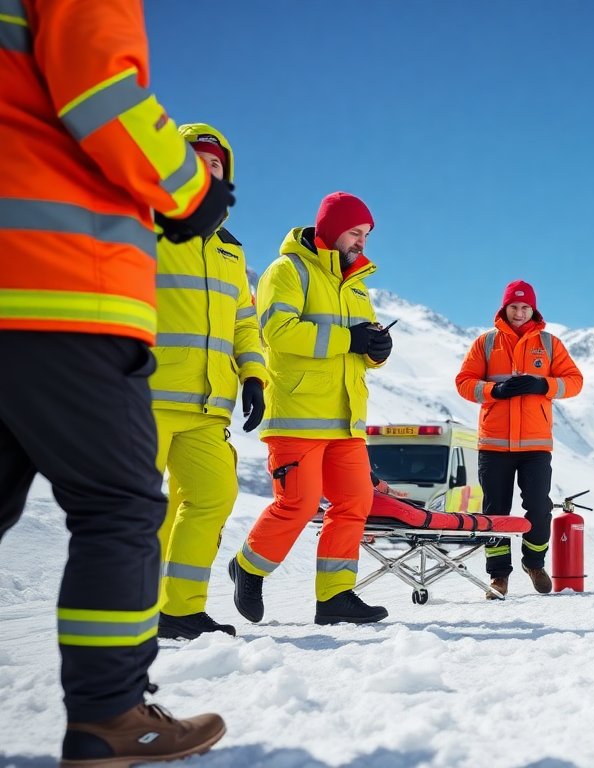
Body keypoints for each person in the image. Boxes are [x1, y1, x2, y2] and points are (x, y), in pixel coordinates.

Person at [0, 1, 233, 763]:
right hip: (55, 286)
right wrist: (191, 189)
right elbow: (102, 94)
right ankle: (110, 716)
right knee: (119, 507)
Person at [228, 192, 394, 626]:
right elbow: (278, 332)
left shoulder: (356, 284)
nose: (362, 242)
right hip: (297, 413)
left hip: (346, 420)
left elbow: (361, 347)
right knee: (298, 505)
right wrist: (350, 340)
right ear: (332, 230)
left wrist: (377, 349)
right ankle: (247, 567)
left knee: (355, 502)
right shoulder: (287, 271)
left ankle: (335, 596)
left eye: (366, 235)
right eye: (355, 233)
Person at [153, 123, 269, 641]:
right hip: (143, 397)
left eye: (216, 163)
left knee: (213, 497)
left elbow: (245, 323)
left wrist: (253, 375)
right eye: (194, 159)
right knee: (134, 511)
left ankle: (180, 609)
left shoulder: (230, 252)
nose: (206, 169)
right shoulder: (145, 226)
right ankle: (130, 610)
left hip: (206, 406)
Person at [455, 280, 584, 599]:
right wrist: (493, 391)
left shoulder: (550, 344)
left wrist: (544, 386)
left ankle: (534, 563)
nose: (519, 312)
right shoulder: (485, 343)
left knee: (539, 507)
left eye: (525, 307)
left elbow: (575, 382)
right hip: (494, 444)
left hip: (535, 446)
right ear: (504, 308)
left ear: (534, 310)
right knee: (495, 511)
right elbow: (463, 383)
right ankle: (499, 577)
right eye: (514, 306)